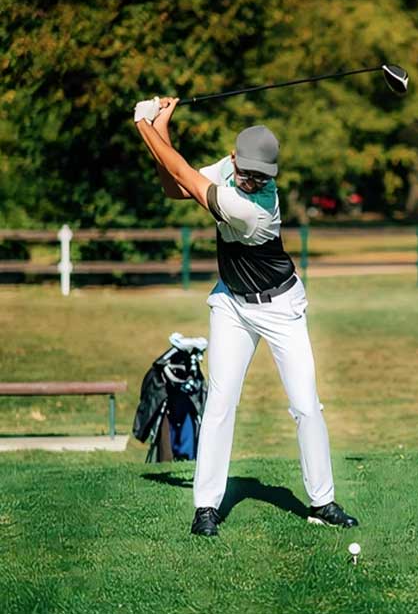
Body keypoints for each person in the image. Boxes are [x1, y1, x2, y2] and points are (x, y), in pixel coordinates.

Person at [132, 96, 358, 536]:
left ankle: (323, 502)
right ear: (235, 158)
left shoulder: (253, 209)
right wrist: (162, 126)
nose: (251, 180)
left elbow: (183, 175)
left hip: (281, 307)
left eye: (260, 176)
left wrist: (143, 124)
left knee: (306, 405)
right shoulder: (231, 170)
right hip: (233, 303)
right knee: (219, 402)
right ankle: (206, 508)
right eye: (246, 171)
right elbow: (174, 186)